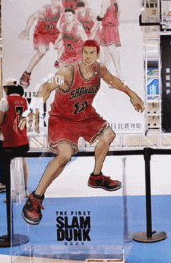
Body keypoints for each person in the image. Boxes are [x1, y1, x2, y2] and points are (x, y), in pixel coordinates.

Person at [21, 39, 144, 225]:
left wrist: (132, 95)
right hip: (62, 119)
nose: (87, 56)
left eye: (91, 53)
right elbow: (46, 87)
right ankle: (35, 198)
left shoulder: (99, 70)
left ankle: (96, 176)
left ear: (97, 55)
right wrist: (34, 109)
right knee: (65, 155)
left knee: (109, 135)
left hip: (85, 116)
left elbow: (114, 80)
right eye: (85, 52)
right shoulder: (67, 71)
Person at [0, 78, 30, 195]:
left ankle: (11, 192)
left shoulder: (5, 100)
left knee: (8, 164)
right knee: (23, 163)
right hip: (22, 137)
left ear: (6, 88)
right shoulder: (24, 100)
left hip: (9, 138)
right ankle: (25, 190)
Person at [18, 0, 64, 87]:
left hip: (52, 31)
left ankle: (58, 62)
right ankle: (27, 73)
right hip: (41, 33)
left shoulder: (60, 9)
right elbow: (32, 17)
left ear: (59, 1)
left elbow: (70, 15)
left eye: (56, 0)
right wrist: (27, 30)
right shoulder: (44, 10)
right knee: (42, 52)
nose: (54, 1)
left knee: (64, 42)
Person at [97, 0, 122, 80]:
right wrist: (115, 20)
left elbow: (102, 14)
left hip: (108, 27)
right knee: (106, 51)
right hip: (110, 27)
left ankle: (119, 73)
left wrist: (98, 18)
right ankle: (110, 75)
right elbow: (119, 12)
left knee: (111, 51)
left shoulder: (106, 0)